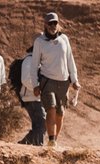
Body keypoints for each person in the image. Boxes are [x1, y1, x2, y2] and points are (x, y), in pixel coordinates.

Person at [31, 11, 79, 146]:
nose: (53, 26)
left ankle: (54, 140)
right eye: (50, 23)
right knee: (51, 109)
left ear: (58, 24)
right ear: (45, 25)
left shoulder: (64, 39)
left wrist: (74, 80)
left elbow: (70, 60)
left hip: (64, 82)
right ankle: (51, 140)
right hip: (47, 81)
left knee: (60, 113)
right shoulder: (39, 42)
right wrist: (35, 84)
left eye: (55, 23)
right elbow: (34, 65)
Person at [10, 48, 46, 146]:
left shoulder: (36, 61)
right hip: (31, 97)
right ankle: (38, 146)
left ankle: (24, 144)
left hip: (34, 97)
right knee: (42, 123)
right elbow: (25, 79)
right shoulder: (29, 60)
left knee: (38, 124)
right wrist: (37, 89)